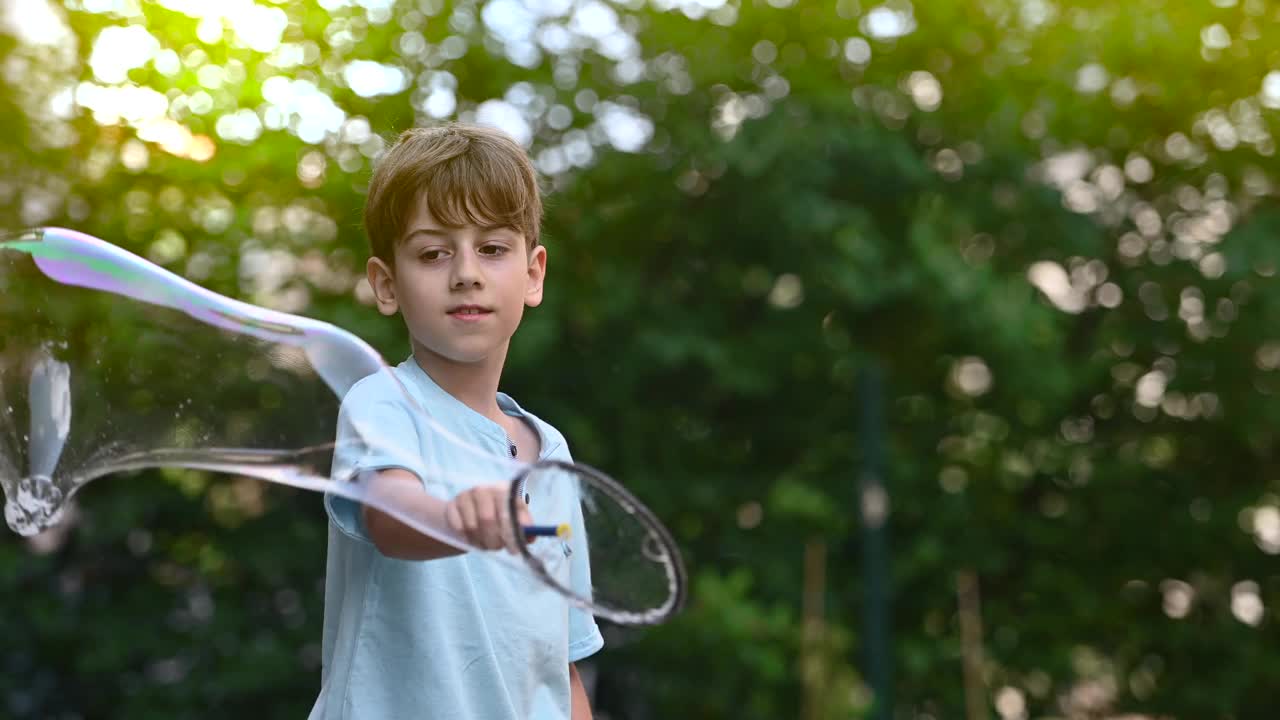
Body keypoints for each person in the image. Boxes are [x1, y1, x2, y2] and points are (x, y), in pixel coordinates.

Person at [308, 123, 602, 720]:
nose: (465, 271)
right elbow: (388, 513)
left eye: (492, 249)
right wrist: (452, 520)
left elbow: (561, 661)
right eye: (433, 252)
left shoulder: (553, 453)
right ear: (387, 284)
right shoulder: (382, 403)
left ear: (534, 274)